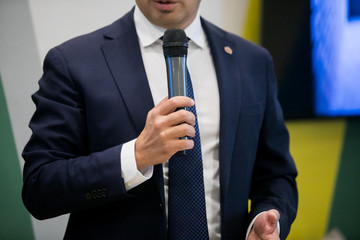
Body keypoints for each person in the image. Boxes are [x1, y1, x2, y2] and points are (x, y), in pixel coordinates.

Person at [22, 0, 298, 239]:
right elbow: (40, 187)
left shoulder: (252, 61)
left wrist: (266, 216)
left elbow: (276, 174)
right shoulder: (73, 62)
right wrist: (136, 156)